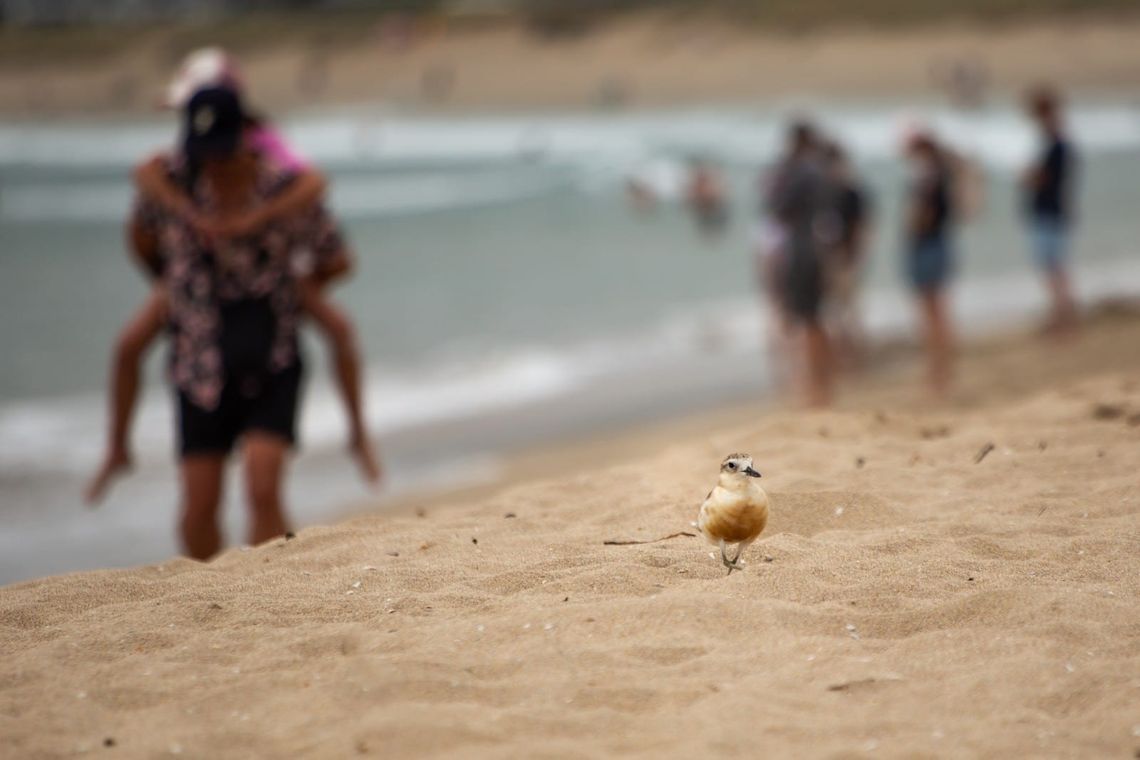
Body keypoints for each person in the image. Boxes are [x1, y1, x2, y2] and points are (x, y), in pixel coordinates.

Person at [86, 53, 379, 505]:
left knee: (339, 330)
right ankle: (117, 449)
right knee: (128, 346)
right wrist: (169, 274)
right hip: (196, 303)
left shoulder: (267, 147)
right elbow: (141, 198)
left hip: (271, 291)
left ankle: (358, 436)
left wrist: (268, 240)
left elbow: (315, 184)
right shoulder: (181, 164)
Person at [125, 87, 353, 558]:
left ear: (247, 137)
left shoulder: (282, 189)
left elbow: (336, 256)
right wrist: (169, 280)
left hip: (271, 353)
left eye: (222, 150)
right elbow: (142, 235)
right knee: (199, 503)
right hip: (198, 363)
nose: (212, 161)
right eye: (203, 150)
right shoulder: (172, 184)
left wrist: (299, 288)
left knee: (263, 487)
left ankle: (270, 587)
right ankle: (208, 596)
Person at [767, 121, 833, 407]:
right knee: (814, 317)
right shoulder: (818, 172)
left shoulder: (799, 172)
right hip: (815, 246)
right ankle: (821, 381)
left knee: (804, 316)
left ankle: (813, 383)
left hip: (800, 248)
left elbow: (777, 208)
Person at [902, 127, 956, 397]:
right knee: (937, 313)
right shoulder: (940, 172)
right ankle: (940, 370)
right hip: (938, 244)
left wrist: (910, 224)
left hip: (927, 246)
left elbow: (922, 217)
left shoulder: (928, 176)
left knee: (932, 314)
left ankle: (938, 372)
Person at [1022, 86, 1078, 335]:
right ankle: (1062, 315)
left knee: (1053, 268)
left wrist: (1028, 177)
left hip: (1049, 211)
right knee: (1054, 268)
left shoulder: (1055, 146)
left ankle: (1063, 318)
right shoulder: (1056, 144)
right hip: (1052, 210)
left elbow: (1042, 178)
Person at [820, 141, 871, 366]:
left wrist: (855, 256)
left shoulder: (851, 193)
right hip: (832, 257)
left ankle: (853, 356)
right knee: (836, 311)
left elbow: (862, 228)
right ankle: (843, 355)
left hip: (845, 258)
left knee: (848, 310)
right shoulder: (829, 192)